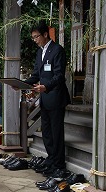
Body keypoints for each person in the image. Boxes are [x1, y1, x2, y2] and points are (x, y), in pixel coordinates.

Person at [23, 21, 70, 177]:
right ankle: (51, 160)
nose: (35, 40)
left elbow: (59, 76)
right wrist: (23, 84)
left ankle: (59, 164)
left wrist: (45, 87)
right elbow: (36, 75)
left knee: (56, 132)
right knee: (47, 133)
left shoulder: (57, 50)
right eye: (33, 38)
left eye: (37, 37)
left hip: (56, 97)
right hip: (44, 98)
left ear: (45, 34)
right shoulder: (39, 52)